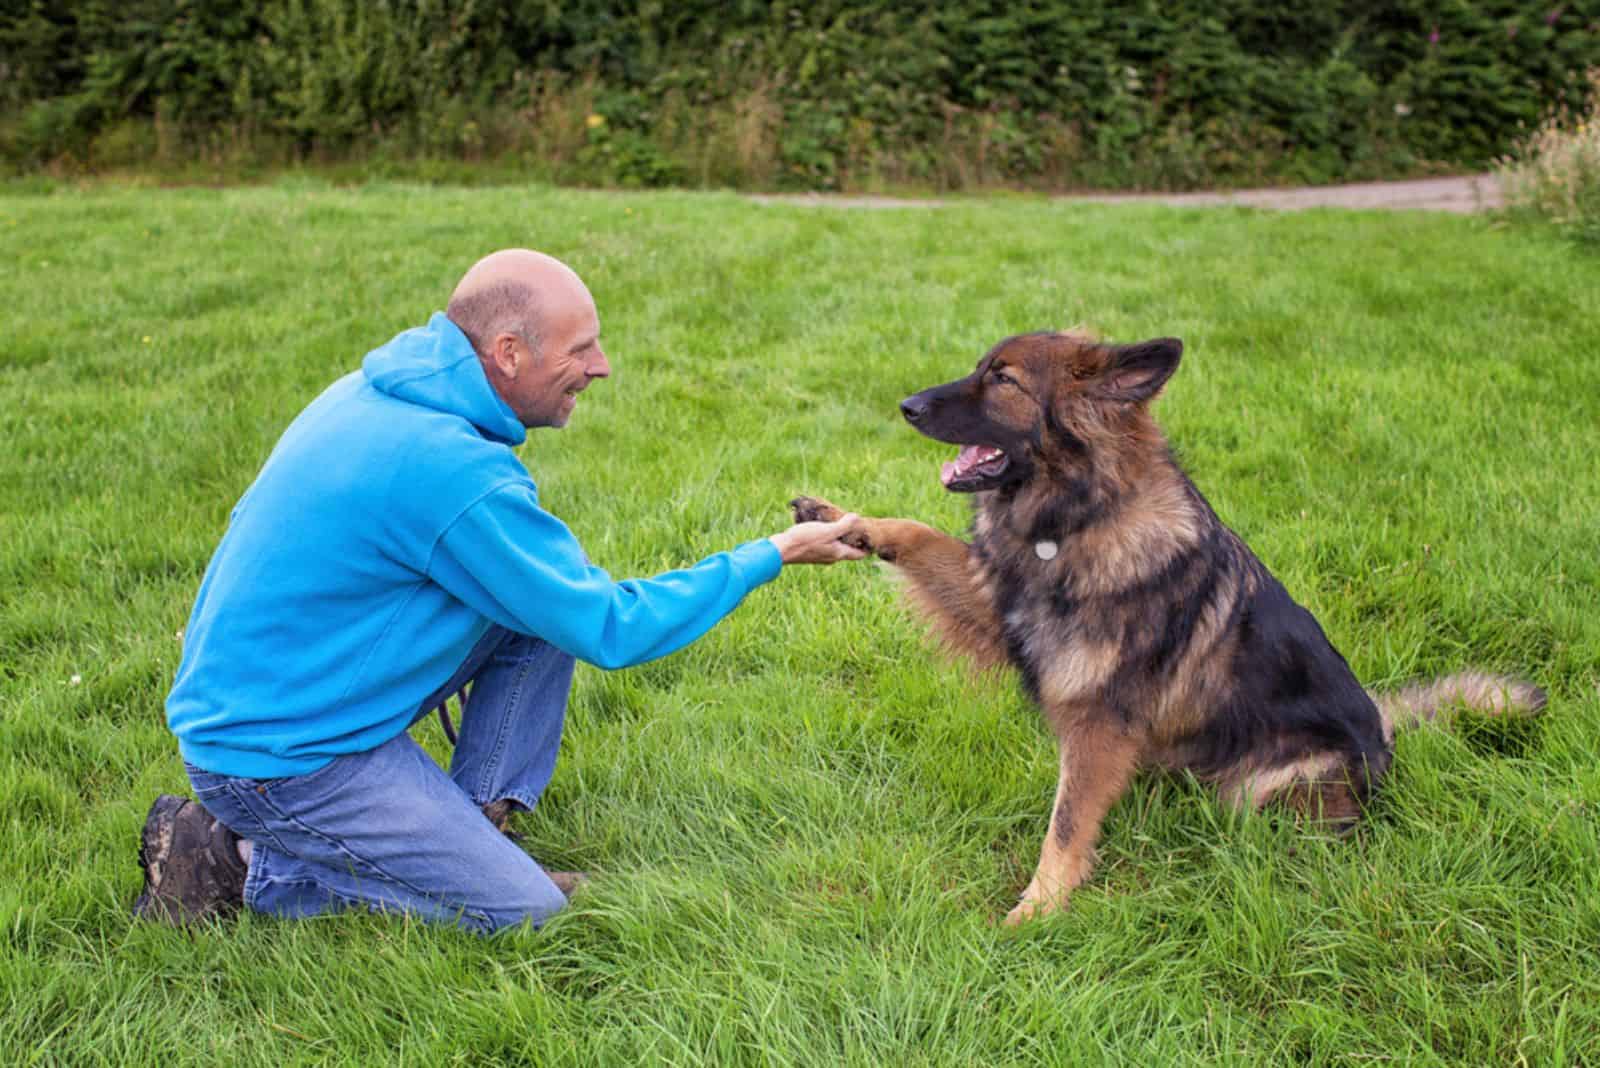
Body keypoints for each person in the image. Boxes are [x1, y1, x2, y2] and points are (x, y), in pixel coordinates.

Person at [133, 249, 863, 933]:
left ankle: (473, 826)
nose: (601, 368)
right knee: (526, 910)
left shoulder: (385, 394)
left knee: (542, 600)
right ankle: (228, 861)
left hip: (304, 692)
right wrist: (770, 554)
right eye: (581, 350)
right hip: (279, 758)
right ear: (508, 353)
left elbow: (564, 603)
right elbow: (613, 628)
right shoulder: (448, 467)